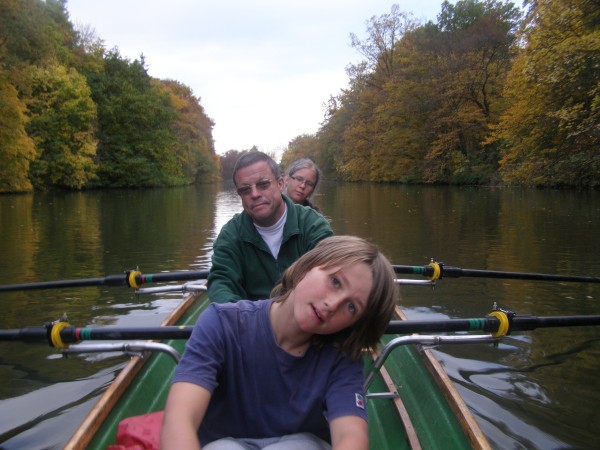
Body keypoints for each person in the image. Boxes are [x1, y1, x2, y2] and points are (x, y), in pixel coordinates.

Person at [161, 235, 398, 450]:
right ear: (308, 265)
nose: (332, 304)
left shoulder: (341, 357)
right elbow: (180, 420)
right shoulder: (221, 323)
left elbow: (350, 435)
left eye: (351, 307)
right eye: (335, 281)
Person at [207, 151, 333, 303]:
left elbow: (331, 275)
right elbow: (221, 284)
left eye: (263, 184)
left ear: (280, 184)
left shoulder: (312, 224)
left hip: (304, 319)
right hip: (252, 323)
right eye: (245, 190)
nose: (254, 194)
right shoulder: (230, 235)